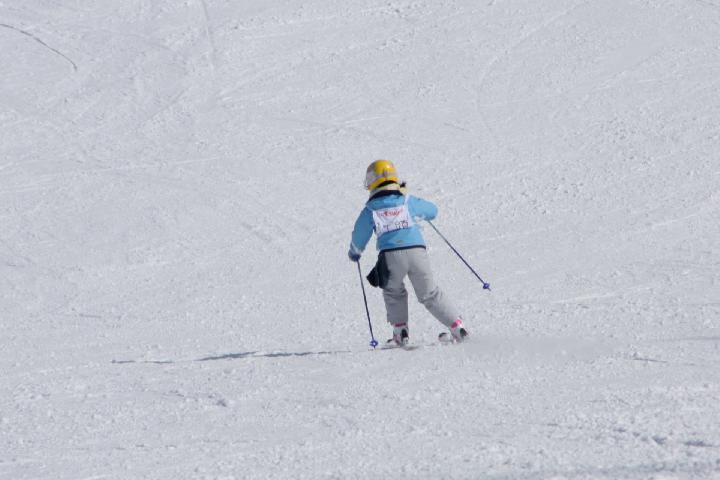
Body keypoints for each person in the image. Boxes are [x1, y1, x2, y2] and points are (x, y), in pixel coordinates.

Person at [348, 160, 468, 345]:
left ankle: (400, 332)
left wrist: (355, 251)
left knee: (393, 291)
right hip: (417, 253)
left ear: (371, 181)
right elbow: (432, 211)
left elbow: (360, 233)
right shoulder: (406, 201)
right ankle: (457, 327)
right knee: (429, 292)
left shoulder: (371, 209)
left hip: (390, 256)